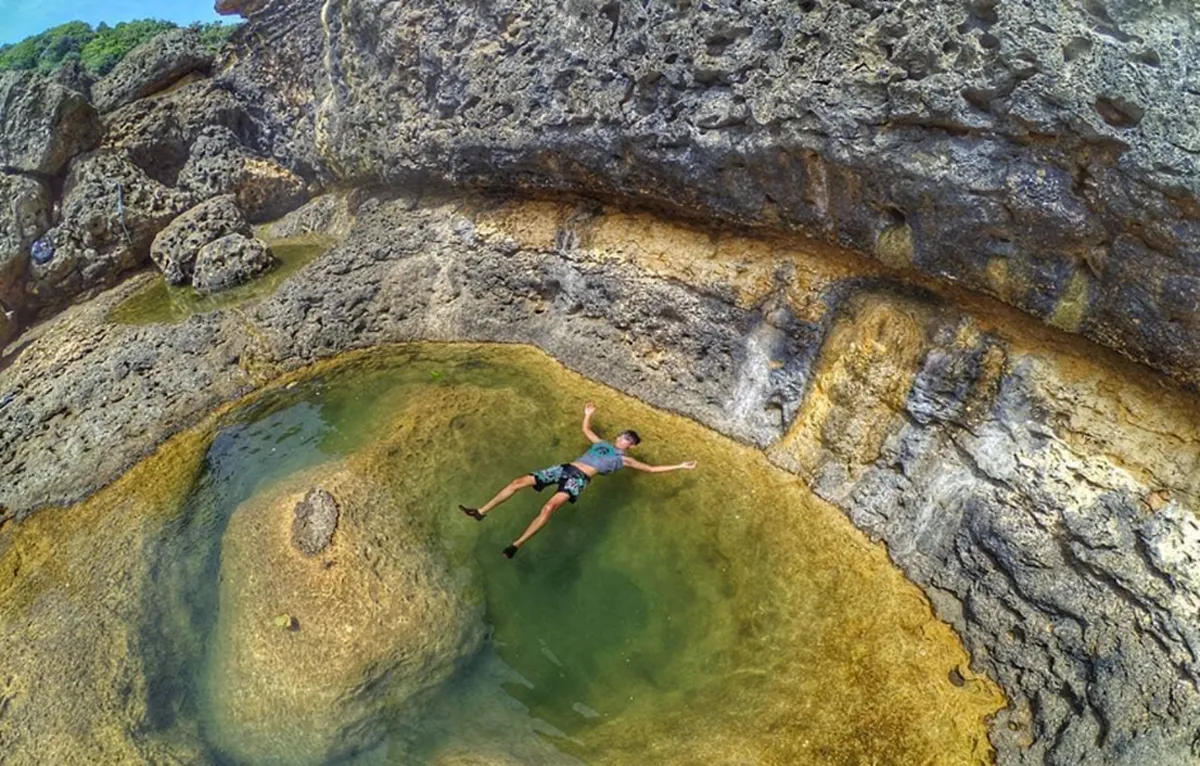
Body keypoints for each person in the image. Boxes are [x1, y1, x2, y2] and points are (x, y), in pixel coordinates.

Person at [459, 402, 698, 558]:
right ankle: (481, 511)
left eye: (627, 439)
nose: (622, 439)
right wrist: (588, 415)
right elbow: (587, 431)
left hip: (579, 479)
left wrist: (680, 465)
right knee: (517, 482)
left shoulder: (625, 460)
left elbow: (652, 469)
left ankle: (516, 545)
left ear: (631, 446)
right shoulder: (602, 444)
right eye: (622, 435)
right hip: (564, 468)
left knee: (549, 507)